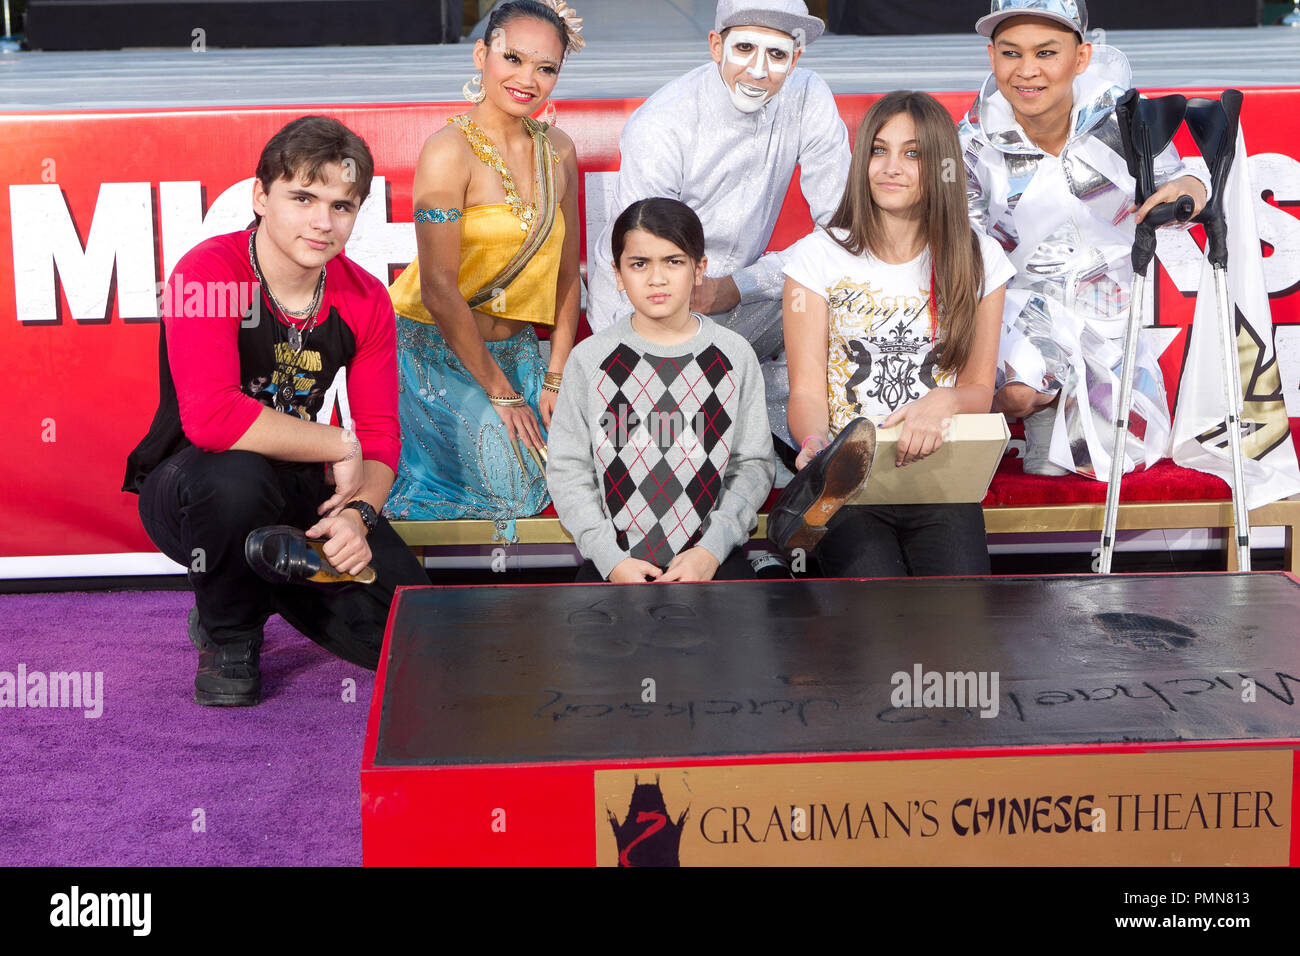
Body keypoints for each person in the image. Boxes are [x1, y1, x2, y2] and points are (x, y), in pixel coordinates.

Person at [122, 116, 429, 706]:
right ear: (261, 196)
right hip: (190, 485)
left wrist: (358, 516)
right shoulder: (207, 273)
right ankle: (229, 632)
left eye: (342, 206)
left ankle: (259, 573)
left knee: (418, 629)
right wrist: (339, 446)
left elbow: (381, 435)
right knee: (237, 479)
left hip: (297, 487)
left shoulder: (364, 298)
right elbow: (213, 419)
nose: (323, 221)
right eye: (303, 197)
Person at [585, 0, 850, 465]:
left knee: (838, 299)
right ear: (715, 46)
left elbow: (842, 231)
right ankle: (777, 446)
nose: (758, 70)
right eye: (744, 48)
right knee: (688, 385)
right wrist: (705, 290)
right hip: (649, 305)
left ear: (797, 58)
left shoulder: (808, 95)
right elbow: (644, 259)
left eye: (777, 54)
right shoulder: (662, 121)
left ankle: (804, 450)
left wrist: (739, 286)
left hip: (738, 299)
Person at [959, 0, 1209, 477]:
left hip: (1106, 311)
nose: (1027, 71)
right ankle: (1035, 405)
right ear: (992, 57)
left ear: (1081, 57)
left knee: (1113, 460)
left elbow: (1180, 190)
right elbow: (961, 248)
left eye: (1046, 52)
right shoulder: (972, 142)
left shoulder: (1122, 121)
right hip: (1018, 311)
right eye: (1011, 53)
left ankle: (1067, 405)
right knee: (1017, 390)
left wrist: (1193, 189)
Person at [780, 91, 1016, 577]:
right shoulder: (816, 257)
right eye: (878, 150)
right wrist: (813, 442)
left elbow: (978, 390)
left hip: (942, 479)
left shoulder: (981, 257)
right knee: (875, 614)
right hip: (852, 487)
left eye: (913, 154)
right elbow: (806, 390)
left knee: (958, 619)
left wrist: (944, 401)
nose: (891, 166)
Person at [384, 0, 583, 541]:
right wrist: (500, 392)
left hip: (520, 353)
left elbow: (570, 275)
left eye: (546, 68)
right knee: (510, 488)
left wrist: (557, 375)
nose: (527, 79)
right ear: (481, 54)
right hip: (438, 352)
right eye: (512, 58)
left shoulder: (561, 152)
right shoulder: (446, 153)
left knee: (571, 478)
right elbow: (440, 288)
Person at [547, 198, 775, 583]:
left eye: (674, 261)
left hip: (710, 563)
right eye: (639, 264)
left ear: (699, 269)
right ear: (618, 274)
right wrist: (610, 558)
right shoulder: (591, 360)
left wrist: (710, 551)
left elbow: (752, 465)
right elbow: (569, 468)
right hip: (615, 566)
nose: (657, 278)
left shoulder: (734, 356)